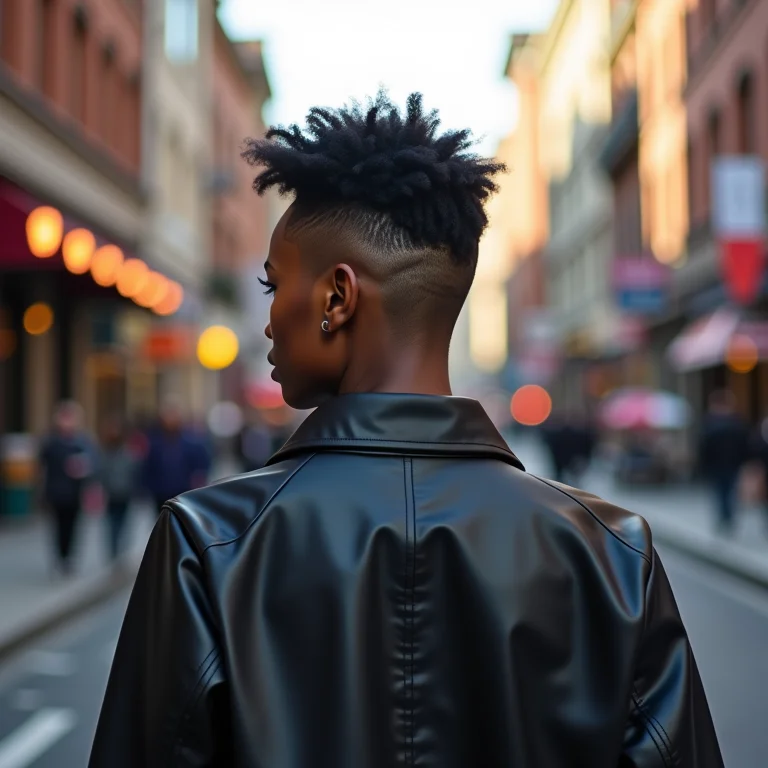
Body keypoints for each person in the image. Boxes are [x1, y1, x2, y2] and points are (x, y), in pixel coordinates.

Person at [91, 93, 722, 767]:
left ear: (337, 297)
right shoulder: (612, 557)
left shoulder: (207, 543)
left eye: (275, 288)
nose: (269, 322)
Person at [39, 401, 95, 577]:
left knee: (72, 526)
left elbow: (93, 462)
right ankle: (60, 557)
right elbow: (42, 465)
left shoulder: (82, 441)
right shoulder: (51, 441)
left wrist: (83, 468)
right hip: (56, 491)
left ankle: (68, 557)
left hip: (75, 491)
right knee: (58, 526)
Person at [141, 400, 211, 515]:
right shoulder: (156, 443)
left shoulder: (191, 442)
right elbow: (148, 467)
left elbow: (201, 464)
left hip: (183, 491)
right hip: (160, 492)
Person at [698, 389, 750, 533]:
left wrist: (703, 464)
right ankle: (728, 517)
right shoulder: (737, 422)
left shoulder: (710, 423)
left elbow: (704, 447)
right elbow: (745, 444)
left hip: (717, 464)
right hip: (733, 463)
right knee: (729, 491)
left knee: (720, 492)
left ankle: (724, 517)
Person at [97, 415, 139, 563]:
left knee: (123, 522)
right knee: (112, 523)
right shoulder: (105, 452)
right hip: (111, 493)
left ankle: (121, 550)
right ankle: (114, 551)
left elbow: (134, 470)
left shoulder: (128, 452)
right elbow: (100, 471)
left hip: (125, 493)